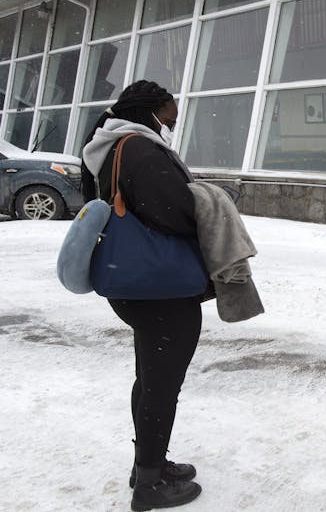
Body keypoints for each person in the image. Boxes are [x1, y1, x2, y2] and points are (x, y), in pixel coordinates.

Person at [81, 80, 202, 511]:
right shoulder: (141, 150)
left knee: (151, 376)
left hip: (134, 280)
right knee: (161, 384)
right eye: (170, 110)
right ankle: (149, 486)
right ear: (152, 109)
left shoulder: (112, 147)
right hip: (160, 287)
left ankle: (147, 464)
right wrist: (208, 206)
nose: (173, 118)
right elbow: (175, 212)